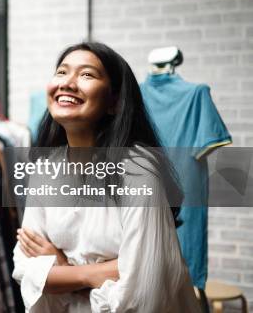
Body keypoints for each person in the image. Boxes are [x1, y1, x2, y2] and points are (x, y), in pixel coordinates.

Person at [12, 41, 201, 312]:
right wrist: (93, 274)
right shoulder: (45, 167)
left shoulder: (137, 170)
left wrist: (63, 269)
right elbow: (24, 267)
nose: (68, 83)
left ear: (114, 102)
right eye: (62, 72)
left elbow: (142, 293)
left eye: (86, 74)